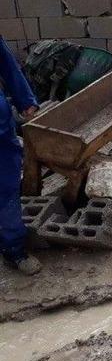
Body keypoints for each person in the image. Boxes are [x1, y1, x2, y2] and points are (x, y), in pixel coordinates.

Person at [0, 37, 41, 275]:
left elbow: (7, 65)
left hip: (1, 130)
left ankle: (14, 249)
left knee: (6, 188)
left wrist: (26, 101)